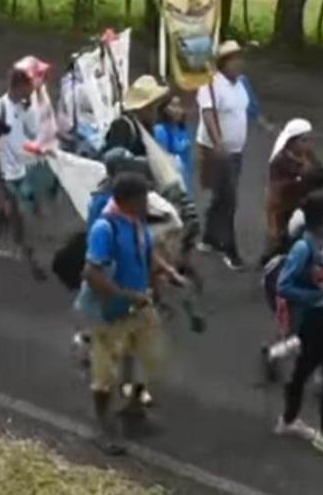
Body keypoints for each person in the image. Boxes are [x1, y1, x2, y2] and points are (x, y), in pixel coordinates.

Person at [75, 173, 163, 455]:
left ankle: (134, 407)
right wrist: (126, 295)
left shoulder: (136, 222)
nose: (147, 202)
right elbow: (91, 273)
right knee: (105, 372)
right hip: (111, 312)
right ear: (128, 200)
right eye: (142, 198)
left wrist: (164, 276)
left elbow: (147, 254)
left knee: (147, 356)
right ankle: (103, 427)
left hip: (139, 306)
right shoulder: (105, 228)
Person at [274, 192, 323, 462]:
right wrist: (315, 298)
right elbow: (283, 285)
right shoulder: (303, 248)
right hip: (312, 321)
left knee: (303, 370)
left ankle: (289, 419)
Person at [196, 40, 251, 270]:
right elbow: (208, 114)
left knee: (222, 195)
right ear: (223, 63)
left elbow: (246, 107)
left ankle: (208, 237)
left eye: (240, 58)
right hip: (216, 151)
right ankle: (230, 249)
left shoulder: (240, 85)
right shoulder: (210, 85)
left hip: (236, 150)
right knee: (229, 199)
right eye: (234, 59)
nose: (239, 63)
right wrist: (218, 143)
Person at [0, 68, 45, 280]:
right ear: (19, 86)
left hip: (20, 170)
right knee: (19, 215)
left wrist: (30, 108)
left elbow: (33, 129)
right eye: (29, 87)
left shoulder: (23, 108)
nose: (31, 90)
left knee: (3, 219)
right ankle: (32, 261)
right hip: (5, 173)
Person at [263, 119, 323, 264]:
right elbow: (279, 187)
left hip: (300, 202)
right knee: (279, 240)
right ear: (292, 142)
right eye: (304, 140)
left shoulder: (307, 154)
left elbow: (317, 169)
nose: (308, 144)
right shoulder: (280, 160)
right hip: (282, 205)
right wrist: (301, 178)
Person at [154, 95, 192, 193]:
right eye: (174, 106)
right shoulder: (160, 130)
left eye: (180, 106)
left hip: (185, 179)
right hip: (171, 182)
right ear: (164, 109)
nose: (178, 110)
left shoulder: (181, 130)